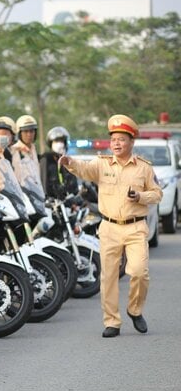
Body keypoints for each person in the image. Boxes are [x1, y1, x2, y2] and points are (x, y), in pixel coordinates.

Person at [58, 115, 162, 337]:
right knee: (109, 276)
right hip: (109, 227)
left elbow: (157, 194)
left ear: (131, 142)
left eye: (121, 139)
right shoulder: (102, 163)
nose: (116, 143)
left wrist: (141, 196)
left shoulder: (143, 168)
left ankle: (135, 310)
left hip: (135, 227)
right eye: (113, 139)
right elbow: (84, 169)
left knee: (139, 272)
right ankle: (112, 321)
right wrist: (70, 162)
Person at [39, 126, 78, 198]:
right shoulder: (46, 159)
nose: (59, 144)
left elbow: (73, 184)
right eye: (56, 141)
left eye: (61, 141)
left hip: (66, 202)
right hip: (51, 204)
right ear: (51, 143)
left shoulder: (67, 161)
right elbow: (43, 183)